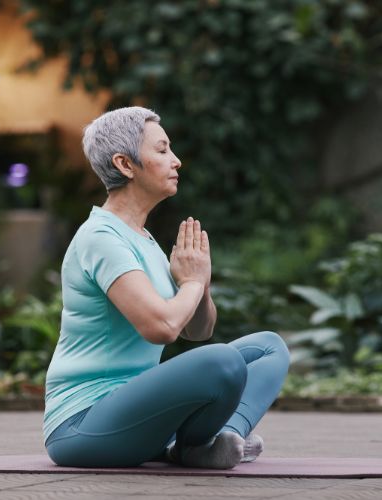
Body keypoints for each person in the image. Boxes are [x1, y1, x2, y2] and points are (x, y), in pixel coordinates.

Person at [43, 106, 290, 469]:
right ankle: (192, 446)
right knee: (222, 361)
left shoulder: (143, 239)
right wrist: (189, 282)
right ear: (125, 165)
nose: (176, 161)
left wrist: (200, 283)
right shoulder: (100, 237)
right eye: (162, 150)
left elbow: (197, 330)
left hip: (137, 416)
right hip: (83, 423)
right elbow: (161, 328)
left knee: (269, 347)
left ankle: (217, 441)